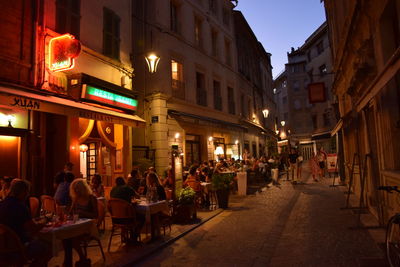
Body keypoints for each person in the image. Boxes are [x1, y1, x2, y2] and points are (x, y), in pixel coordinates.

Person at [0, 179, 51, 267]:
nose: (27, 195)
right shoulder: (20, 207)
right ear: (23, 192)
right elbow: (32, 229)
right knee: (47, 247)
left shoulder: (2, 204)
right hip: (19, 248)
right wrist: (44, 222)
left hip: (2, 248)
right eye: (27, 192)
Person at [63, 179, 97, 267]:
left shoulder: (91, 198)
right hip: (78, 225)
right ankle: (68, 261)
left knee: (72, 237)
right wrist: (67, 213)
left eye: (77, 189)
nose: (76, 191)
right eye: (74, 189)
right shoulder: (76, 198)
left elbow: (95, 215)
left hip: (89, 225)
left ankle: (81, 258)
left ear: (83, 188)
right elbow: (71, 213)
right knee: (65, 237)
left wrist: (83, 213)